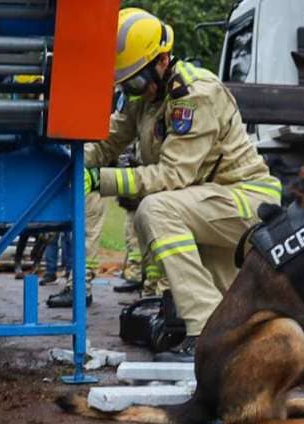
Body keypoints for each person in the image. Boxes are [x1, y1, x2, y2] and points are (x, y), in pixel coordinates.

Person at [84, 8, 283, 361]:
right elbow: (107, 142)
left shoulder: (194, 94)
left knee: (155, 209)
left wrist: (100, 180)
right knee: (234, 316)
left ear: (162, 61)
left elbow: (172, 176)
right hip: (207, 203)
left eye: (136, 82)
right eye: (125, 84)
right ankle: (230, 342)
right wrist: (70, 161)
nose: (133, 91)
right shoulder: (146, 95)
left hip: (245, 201)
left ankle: (203, 332)